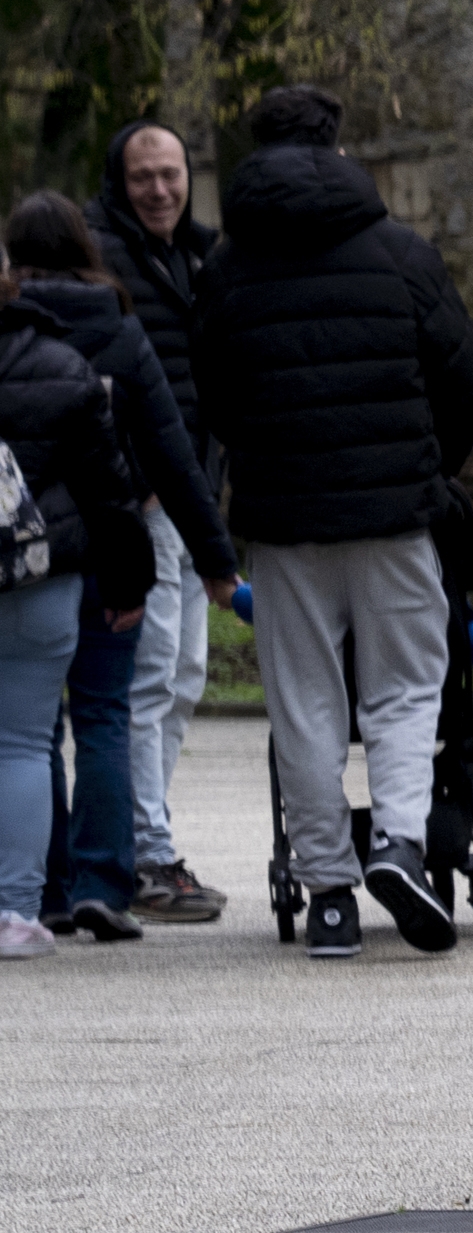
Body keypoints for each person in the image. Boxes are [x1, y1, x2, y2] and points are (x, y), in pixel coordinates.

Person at [193, 83, 473, 959]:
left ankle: (328, 893)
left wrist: (261, 457)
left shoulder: (227, 269)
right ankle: (398, 839)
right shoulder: (400, 252)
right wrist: (429, 467)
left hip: (283, 517)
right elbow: (462, 374)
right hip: (394, 510)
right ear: (338, 147)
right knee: (406, 686)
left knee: (304, 699)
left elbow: (214, 394)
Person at [4, 193, 240, 938]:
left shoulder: (9, 334)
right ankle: (103, 881)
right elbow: (171, 453)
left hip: (27, 559)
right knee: (106, 714)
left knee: (32, 732)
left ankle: (42, 887)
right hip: (110, 548)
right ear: (86, 246)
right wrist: (216, 560)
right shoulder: (119, 326)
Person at [84, 121, 228, 924]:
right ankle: (145, 853)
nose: (161, 189)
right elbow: (98, 385)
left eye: (170, 173)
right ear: (121, 180)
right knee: (150, 679)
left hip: (190, 495)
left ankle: (151, 838)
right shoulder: (106, 256)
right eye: (144, 176)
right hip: (145, 504)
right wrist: (137, 486)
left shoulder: (197, 257)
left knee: (184, 675)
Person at [0, 269, 149, 958]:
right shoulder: (62, 366)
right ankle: (15, 913)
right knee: (24, 745)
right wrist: (127, 584)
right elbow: (109, 492)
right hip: (42, 580)